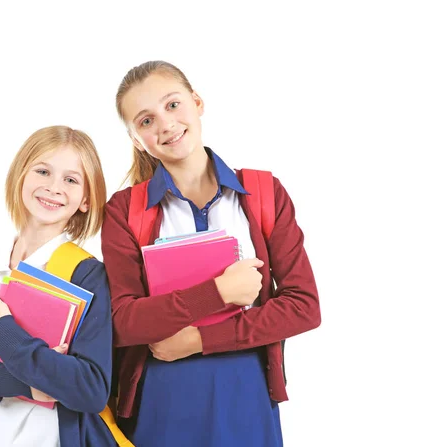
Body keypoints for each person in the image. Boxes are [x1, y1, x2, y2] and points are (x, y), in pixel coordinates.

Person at [101, 60, 321, 446]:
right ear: (136, 139)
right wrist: (217, 292)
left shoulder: (264, 193)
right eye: (146, 121)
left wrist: (199, 341)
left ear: (197, 102)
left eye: (172, 105)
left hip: (247, 397)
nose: (165, 124)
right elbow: (122, 322)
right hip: (162, 402)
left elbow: (304, 306)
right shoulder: (124, 210)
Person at [0, 125, 117, 447]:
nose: (54, 188)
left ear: (86, 199)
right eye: (43, 171)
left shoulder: (87, 276)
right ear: (21, 177)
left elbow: (90, 390)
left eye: (71, 179)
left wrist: (4, 334)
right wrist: (23, 383)